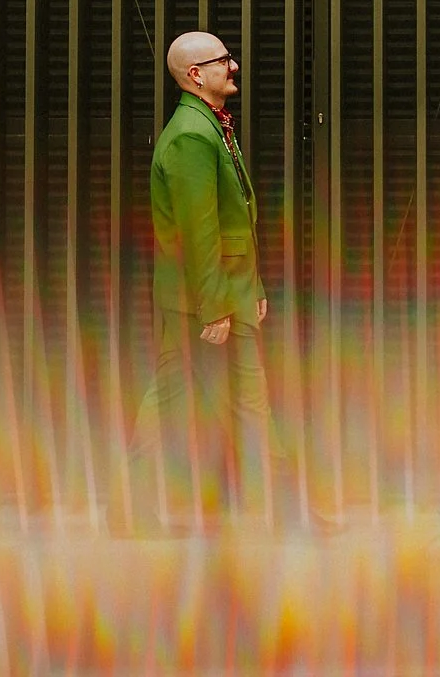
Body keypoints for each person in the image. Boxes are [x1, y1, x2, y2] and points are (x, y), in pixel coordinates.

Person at [131, 30, 275, 529]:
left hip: (226, 290)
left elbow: (235, 220)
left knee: (246, 399)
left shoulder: (210, 125)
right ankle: (134, 506)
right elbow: (200, 230)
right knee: (186, 400)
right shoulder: (193, 135)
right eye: (223, 60)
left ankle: (270, 506)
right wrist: (213, 306)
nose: (233, 67)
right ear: (196, 75)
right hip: (207, 297)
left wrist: (252, 287)